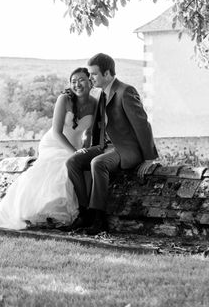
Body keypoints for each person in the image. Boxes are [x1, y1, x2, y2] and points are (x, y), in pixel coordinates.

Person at [0, 67, 98, 230]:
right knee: (61, 167)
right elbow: (57, 132)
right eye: (73, 81)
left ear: (90, 81)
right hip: (55, 143)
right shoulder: (64, 99)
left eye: (81, 80)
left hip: (76, 146)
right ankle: (45, 212)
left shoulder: (95, 104)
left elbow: (89, 133)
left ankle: (61, 214)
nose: (77, 84)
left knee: (76, 166)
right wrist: (74, 152)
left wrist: (85, 150)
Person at [66, 53, 158, 235]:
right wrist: (89, 147)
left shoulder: (126, 91)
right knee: (73, 161)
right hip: (106, 147)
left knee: (98, 163)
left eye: (93, 74)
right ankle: (84, 213)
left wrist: (150, 158)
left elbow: (143, 125)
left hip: (126, 150)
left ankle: (98, 219)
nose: (89, 78)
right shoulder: (102, 94)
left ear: (107, 73)